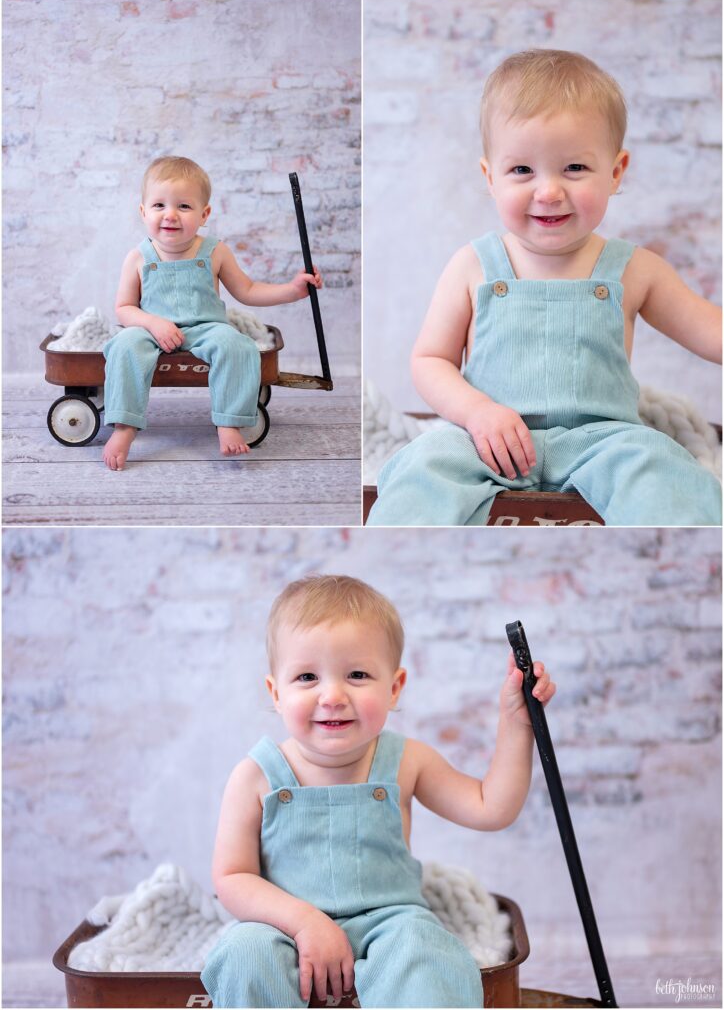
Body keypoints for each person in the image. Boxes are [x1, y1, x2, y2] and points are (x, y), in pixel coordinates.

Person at [367, 49, 722, 525]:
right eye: (522, 171)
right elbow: (430, 360)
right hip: (485, 441)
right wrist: (476, 413)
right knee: (421, 471)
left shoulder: (635, 269)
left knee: (666, 474)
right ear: (489, 177)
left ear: (615, 172)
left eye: (574, 168)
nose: (549, 191)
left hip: (604, 442)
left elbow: (711, 332)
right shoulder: (474, 265)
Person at [201, 574, 556, 1008]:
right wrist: (304, 922)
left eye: (357, 674)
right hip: (283, 927)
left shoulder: (407, 761)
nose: (332, 695)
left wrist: (516, 724)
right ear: (276, 692)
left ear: (394, 687)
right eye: (308, 676)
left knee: (427, 954)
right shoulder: (256, 776)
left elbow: (491, 807)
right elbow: (232, 878)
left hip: (390, 922)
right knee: (243, 954)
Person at [102, 156, 322, 470]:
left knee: (238, 345)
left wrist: (293, 289)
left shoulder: (215, 251)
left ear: (204, 214)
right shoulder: (138, 257)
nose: (171, 215)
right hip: (151, 330)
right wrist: (153, 322)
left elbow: (248, 290)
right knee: (123, 347)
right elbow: (124, 309)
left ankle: (228, 422)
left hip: (205, 327)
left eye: (184, 206)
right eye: (159, 205)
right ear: (143, 212)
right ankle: (125, 427)